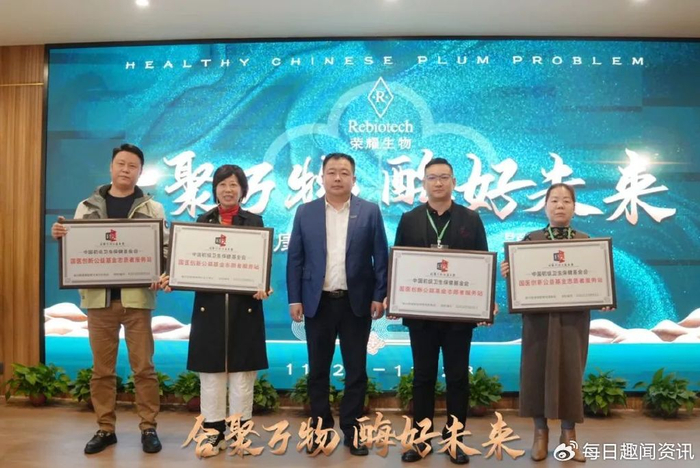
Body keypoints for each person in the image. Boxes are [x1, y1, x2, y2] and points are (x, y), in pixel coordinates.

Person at [51, 143, 164, 454]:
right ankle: (105, 428)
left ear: (140, 172)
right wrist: (62, 234)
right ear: (111, 167)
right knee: (102, 370)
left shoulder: (153, 209)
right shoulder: (86, 206)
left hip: (137, 300)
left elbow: (163, 249)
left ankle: (148, 427)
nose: (126, 170)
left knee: (144, 369)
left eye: (132, 166)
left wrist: (161, 271)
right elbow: (77, 248)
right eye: (121, 164)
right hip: (98, 300)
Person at [160, 164, 271, 457]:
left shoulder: (254, 222)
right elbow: (188, 262)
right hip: (209, 310)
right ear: (215, 189)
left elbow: (261, 266)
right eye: (222, 184)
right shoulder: (202, 221)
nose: (228, 189)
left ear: (243, 190)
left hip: (244, 310)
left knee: (242, 376)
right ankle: (212, 434)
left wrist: (263, 285)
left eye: (234, 184)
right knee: (210, 376)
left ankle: (240, 433)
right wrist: (173, 278)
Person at [391, 157, 494, 465]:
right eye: (432, 177)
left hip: (458, 317)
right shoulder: (409, 219)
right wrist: (395, 298)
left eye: (444, 177)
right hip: (421, 317)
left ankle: (454, 441)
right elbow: (399, 263)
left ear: (454, 182)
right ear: (424, 183)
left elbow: (482, 262)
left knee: (458, 378)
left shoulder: (470, 219)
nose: (438, 182)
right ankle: (421, 441)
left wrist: (486, 301)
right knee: (423, 378)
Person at [500, 183, 613, 462]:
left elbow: (597, 282)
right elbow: (520, 283)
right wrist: (510, 272)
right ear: (545, 206)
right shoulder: (530, 240)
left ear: (574, 207)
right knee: (535, 372)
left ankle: (568, 435)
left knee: (570, 373)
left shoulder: (586, 242)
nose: (560, 205)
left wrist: (604, 294)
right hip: (538, 322)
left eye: (566, 200)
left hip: (573, 321)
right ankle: (540, 433)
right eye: (554, 200)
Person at [286, 153, 389, 456]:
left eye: (344, 172)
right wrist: (295, 298)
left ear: (353, 179)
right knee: (318, 370)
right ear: (322, 177)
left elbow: (381, 257)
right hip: (318, 303)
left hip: (356, 304)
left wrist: (379, 295)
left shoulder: (369, 211)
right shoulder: (306, 212)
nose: (338, 178)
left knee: (356, 370)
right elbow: (295, 259)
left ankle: (352, 430)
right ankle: (320, 430)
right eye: (332, 172)